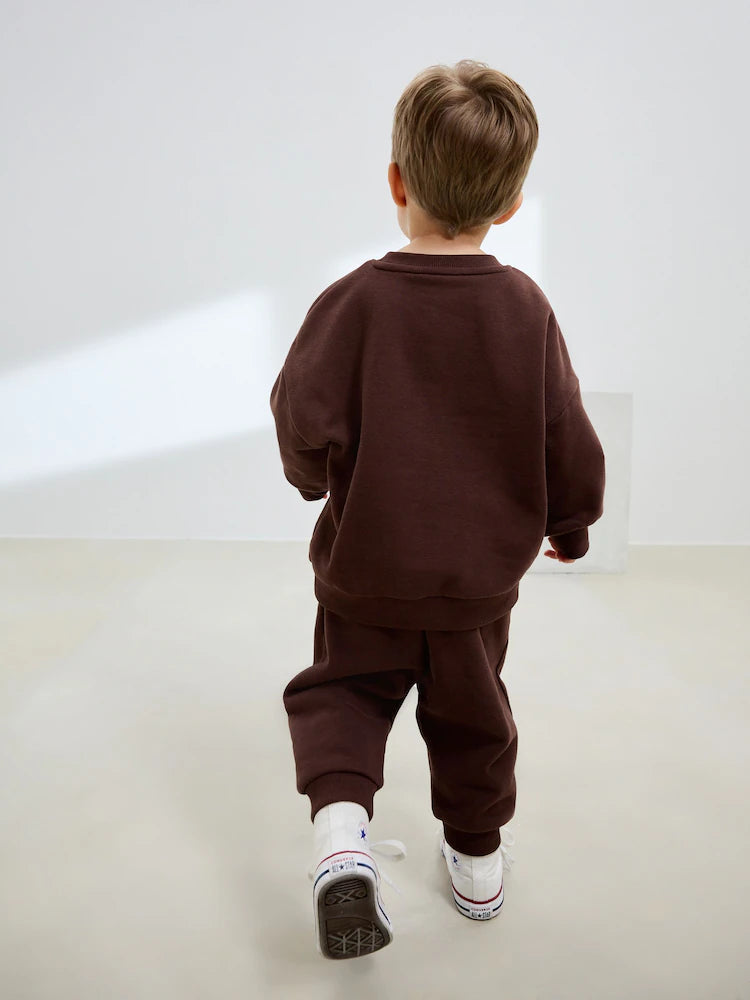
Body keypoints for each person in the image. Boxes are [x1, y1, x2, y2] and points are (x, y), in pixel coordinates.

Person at [269, 58, 606, 960]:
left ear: (396, 182)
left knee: (343, 695)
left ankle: (342, 843)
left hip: (366, 574)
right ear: (512, 204)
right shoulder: (524, 309)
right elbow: (563, 427)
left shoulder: (352, 303)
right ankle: (477, 861)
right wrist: (571, 522)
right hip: (473, 588)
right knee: (474, 719)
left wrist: (312, 480)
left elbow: (300, 413)